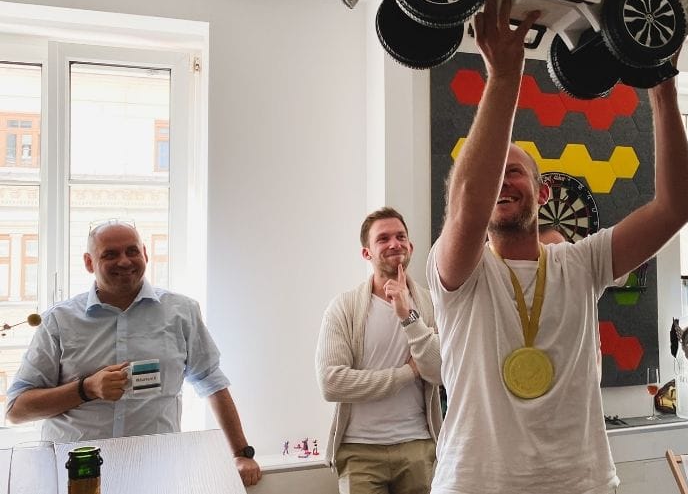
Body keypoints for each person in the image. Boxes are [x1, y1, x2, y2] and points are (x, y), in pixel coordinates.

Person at [426, 0, 688, 494]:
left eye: (516, 173)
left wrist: (663, 89)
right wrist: (505, 77)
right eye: (492, 176)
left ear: (543, 189)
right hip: (476, 484)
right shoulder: (459, 274)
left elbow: (675, 208)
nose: (501, 183)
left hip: (580, 483)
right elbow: (468, 197)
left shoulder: (581, 263)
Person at [5, 220, 261, 487]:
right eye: (110, 254)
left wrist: (241, 454)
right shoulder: (59, 321)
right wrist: (86, 389)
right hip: (78, 478)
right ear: (89, 262)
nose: (124, 261)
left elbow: (211, 381)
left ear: (145, 254)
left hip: (157, 474)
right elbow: (16, 410)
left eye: (132, 251)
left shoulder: (181, 312)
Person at [316, 207, 442, 494]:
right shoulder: (344, 308)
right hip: (359, 450)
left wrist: (408, 316)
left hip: (417, 446)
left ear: (410, 246)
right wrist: (407, 373)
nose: (394, 244)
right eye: (383, 239)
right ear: (367, 253)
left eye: (400, 237)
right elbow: (331, 383)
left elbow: (439, 372)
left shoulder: (433, 305)